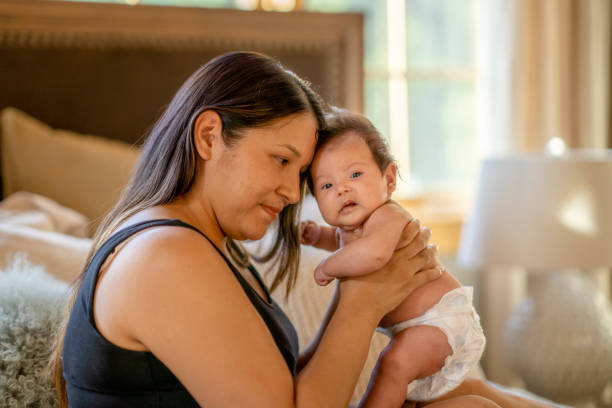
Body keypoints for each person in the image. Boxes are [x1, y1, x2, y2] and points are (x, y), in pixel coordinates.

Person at [48, 51, 544, 408]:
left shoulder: (201, 244)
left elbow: (283, 388)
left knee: (475, 400)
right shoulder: (165, 255)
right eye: (281, 161)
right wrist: (364, 297)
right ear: (209, 137)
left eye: (300, 174)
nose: (292, 193)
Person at [300, 107, 486, 407]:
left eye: (355, 174)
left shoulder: (387, 216)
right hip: (417, 326)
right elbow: (340, 241)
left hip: (441, 320)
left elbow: (373, 254)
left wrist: (328, 265)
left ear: (388, 180)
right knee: (400, 379)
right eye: (326, 185)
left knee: (394, 364)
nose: (342, 188)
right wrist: (318, 237)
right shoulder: (353, 230)